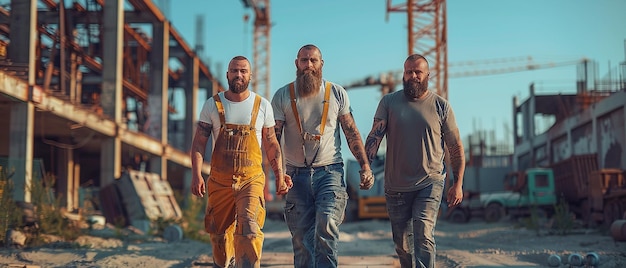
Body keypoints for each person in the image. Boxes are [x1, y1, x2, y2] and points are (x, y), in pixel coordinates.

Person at [271, 44, 375, 267]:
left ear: (321, 64)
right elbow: (273, 139)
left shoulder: (336, 93)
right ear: (296, 64)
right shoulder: (282, 96)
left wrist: (365, 166)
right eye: (304, 60)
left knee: (326, 227)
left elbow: (351, 132)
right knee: (301, 239)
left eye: (313, 60)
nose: (308, 65)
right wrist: (278, 174)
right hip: (295, 176)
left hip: (330, 172)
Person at [190, 56, 293, 268]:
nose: (239, 75)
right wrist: (196, 174)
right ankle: (224, 262)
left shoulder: (262, 105)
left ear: (250, 76)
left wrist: (280, 176)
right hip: (219, 180)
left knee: (249, 229)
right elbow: (199, 142)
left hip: (251, 179)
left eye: (243, 71)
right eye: (234, 70)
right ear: (227, 74)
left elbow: (272, 144)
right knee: (219, 235)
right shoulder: (212, 104)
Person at [364, 54, 465, 268]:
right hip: (396, 186)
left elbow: (455, 147)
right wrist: (366, 167)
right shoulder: (389, 102)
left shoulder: (440, 106)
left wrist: (458, 184)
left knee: (424, 233)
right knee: (402, 245)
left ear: (428, 75)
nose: (413, 76)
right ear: (404, 74)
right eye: (409, 72)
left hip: (430, 181)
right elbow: (375, 136)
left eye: (418, 72)